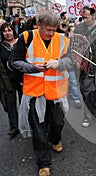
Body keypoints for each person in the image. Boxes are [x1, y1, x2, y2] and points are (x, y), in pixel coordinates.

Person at [10, 11, 72, 176]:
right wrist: (32, 68)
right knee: (38, 129)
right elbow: (14, 62)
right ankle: (44, 163)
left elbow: (71, 61)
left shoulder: (62, 39)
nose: (52, 33)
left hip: (56, 91)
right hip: (34, 91)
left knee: (58, 122)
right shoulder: (26, 37)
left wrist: (59, 62)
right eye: (48, 30)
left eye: (54, 29)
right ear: (39, 26)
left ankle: (55, 139)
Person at [0, 23, 23, 138]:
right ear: (1, 33)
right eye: (5, 31)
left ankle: (25, 124)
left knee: (25, 104)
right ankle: (14, 127)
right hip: (7, 79)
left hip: (23, 79)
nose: (7, 33)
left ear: (13, 31)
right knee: (10, 103)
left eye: (9, 30)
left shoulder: (21, 43)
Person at [65, 25, 81, 108]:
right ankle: (76, 99)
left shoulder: (77, 42)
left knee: (73, 81)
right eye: (72, 31)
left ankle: (73, 95)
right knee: (73, 81)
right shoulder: (64, 41)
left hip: (74, 64)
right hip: (68, 64)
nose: (73, 34)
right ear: (68, 32)